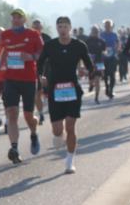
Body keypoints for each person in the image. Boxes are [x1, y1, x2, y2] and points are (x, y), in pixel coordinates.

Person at [37, 16, 94, 174]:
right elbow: (40, 63)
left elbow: (89, 64)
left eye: (65, 26)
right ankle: (57, 135)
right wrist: (41, 77)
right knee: (57, 130)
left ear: (70, 28)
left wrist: (87, 71)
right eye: (59, 26)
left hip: (72, 89)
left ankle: (70, 161)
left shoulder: (79, 45)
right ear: (57, 29)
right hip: (55, 90)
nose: (62, 29)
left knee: (70, 126)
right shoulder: (50, 46)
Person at [0, 8, 44, 163]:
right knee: (11, 113)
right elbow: (4, 52)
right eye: (13, 18)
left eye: (19, 17)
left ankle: (33, 133)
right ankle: (14, 148)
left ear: (24, 20)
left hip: (28, 80)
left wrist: (31, 56)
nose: (16, 20)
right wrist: (1, 63)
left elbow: (42, 55)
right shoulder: (5, 35)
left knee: (28, 116)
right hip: (10, 79)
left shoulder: (33, 35)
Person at [31, 19, 51, 124]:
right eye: (34, 27)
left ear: (41, 28)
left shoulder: (47, 38)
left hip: (46, 68)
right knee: (37, 93)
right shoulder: (29, 37)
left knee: (45, 90)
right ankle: (41, 113)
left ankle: (47, 103)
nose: (36, 29)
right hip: (33, 68)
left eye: (38, 27)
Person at [84, 25, 107, 104]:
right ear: (91, 32)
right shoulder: (87, 41)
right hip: (90, 62)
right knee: (91, 79)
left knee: (97, 80)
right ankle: (91, 85)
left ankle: (96, 97)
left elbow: (105, 50)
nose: (95, 33)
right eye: (94, 31)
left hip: (99, 62)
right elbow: (84, 51)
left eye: (96, 31)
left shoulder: (102, 41)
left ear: (99, 32)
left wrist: (105, 54)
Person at [100, 19, 120, 99]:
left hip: (112, 57)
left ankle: (111, 90)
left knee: (112, 75)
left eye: (109, 25)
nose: (107, 27)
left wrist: (116, 49)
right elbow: (99, 44)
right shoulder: (101, 35)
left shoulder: (114, 35)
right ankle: (106, 86)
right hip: (104, 57)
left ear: (111, 26)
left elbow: (118, 44)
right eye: (106, 25)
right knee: (105, 75)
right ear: (104, 26)